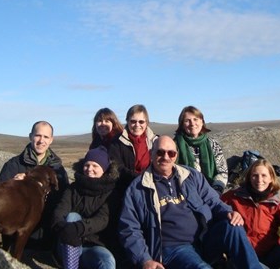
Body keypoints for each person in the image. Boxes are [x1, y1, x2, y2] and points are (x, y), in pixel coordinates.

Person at [118, 135, 262, 269]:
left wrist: (228, 212)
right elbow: (129, 228)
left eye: (171, 153)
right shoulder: (138, 187)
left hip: (204, 238)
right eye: (160, 152)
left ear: (176, 156)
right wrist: (145, 260)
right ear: (151, 154)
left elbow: (213, 200)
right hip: (174, 248)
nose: (165, 157)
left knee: (233, 226)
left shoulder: (190, 176)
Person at [221, 159, 280, 269]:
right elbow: (215, 210)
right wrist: (228, 214)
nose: (259, 180)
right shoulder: (233, 197)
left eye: (264, 176)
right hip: (243, 257)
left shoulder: (276, 201)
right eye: (255, 175)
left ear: (271, 178)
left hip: (271, 256)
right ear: (249, 177)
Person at [0, 121, 69, 250]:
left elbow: (64, 200)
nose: (41, 141)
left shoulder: (58, 169)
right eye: (38, 135)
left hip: (46, 238)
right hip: (15, 236)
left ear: (51, 140)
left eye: (46, 137)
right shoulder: (14, 164)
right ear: (30, 136)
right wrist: (14, 183)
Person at [51, 146, 119, 269]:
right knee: (72, 216)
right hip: (67, 244)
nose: (89, 169)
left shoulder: (110, 193)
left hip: (94, 245)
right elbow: (60, 211)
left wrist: (79, 228)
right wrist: (63, 228)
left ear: (104, 169)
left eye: (95, 166)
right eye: (87, 165)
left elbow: (102, 219)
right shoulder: (73, 189)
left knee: (107, 260)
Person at [174, 106, 228, 194]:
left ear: (202, 122)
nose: (192, 123)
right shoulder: (174, 146)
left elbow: (222, 172)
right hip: (184, 195)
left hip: (212, 193)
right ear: (182, 124)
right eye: (187, 121)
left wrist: (214, 192)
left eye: (196, 119)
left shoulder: (212, 144)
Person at [109, 104, 157, 187]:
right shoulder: (117, 141)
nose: (137, 125)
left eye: (141, 122)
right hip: (125, 187)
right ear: (127, 121)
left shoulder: (156, 141)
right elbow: (117, 166)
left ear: (147, 123)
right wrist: (139, 178)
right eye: (133, 121)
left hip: (152, 185)